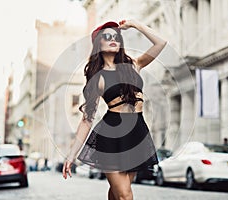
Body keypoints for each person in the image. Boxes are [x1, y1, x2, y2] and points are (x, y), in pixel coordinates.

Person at [62, 19, 166, 200]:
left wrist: (135, 25)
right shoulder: (97, 77)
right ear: (98, 44)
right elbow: (87, 119)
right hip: (110, 137)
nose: (113, 40)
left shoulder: (133, 65)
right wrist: (71, 155)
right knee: (125, 195)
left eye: (116, 37)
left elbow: (161, 43)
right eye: (107, 37)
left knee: (118, 193)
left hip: (137, 134)